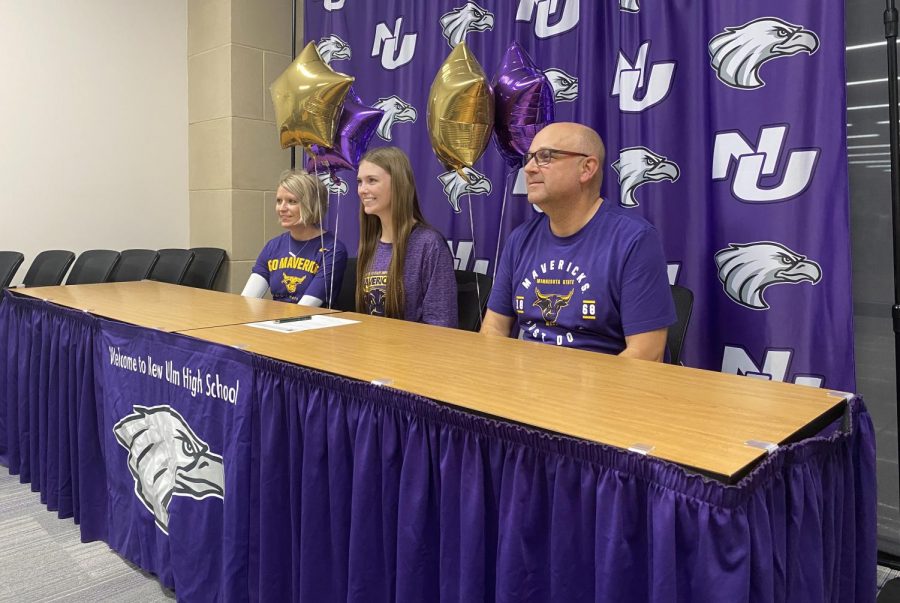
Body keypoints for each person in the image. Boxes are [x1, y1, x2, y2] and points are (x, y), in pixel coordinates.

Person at [481, 122, 675, 361]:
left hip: (600, 391)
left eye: (545, 156)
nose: (529, 168)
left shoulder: (634, 239)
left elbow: (646, 354)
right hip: (528, 387)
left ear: (587, 168)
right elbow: (494, 328)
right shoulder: (520, 239)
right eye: (529, 158)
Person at [355, 146, 457, 327]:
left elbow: (441, 323)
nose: (362, 190)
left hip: (412, 353)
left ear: (398, 184)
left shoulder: (429, 244)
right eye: (359, 182)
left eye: (372, 181)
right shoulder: (370, 244)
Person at [242, 169, 347, 306]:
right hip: (276, 322)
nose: (282, 208)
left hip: (311, 323)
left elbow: (306, 308)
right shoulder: (273, 246)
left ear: (312, 204)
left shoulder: (332, 250)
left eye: (292, 201)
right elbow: (247, 301)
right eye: (279, 201)